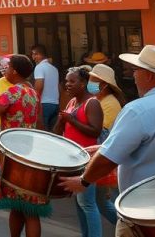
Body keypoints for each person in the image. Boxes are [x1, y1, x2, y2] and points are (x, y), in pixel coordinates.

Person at [59, 45, 155, 237]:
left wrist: (83, 181)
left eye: (136, 71)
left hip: (143, 211)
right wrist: (103, 147)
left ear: (150, 76)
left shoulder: (139, 110)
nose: (133, 76)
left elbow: (108, 158)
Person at [0, 54, 45, 237]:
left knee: (22, 208)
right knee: (25, 207)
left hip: (12, 154)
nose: (5, 71)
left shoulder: (13, 92)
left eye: (8, 68)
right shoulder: (32, 92)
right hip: (30, 152)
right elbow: (39, 122)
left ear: (14, 71)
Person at [56, 67, 103, 237]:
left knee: (87, 204)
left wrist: (71, 120)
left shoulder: (92, 103)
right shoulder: (71, 103)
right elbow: (58, 132)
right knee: (79, 203)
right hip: (71, 160)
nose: (67, 84)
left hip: (87, 160)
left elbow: (95, 131)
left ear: (83, 84)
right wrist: (62, 121)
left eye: (72, 81)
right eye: (66, 80)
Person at [87, 64, 124, 227]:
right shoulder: (99, 101)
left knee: (109, 202)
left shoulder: (110, 103)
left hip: (108, 159)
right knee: (102, 202)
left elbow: (101, 133)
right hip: (106, 158)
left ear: (103, 85)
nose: (90, 84)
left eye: (93, 81)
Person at [31, 44, 60, 130]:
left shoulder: (39, 67)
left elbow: (39, 86)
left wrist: (34, 102)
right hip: (55, 104)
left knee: (42, 134)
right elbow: (58, 87)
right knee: (52, 133)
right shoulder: (54, 69)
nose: (33, 57)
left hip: (43, 105)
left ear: (39, 54)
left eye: (34, 54)